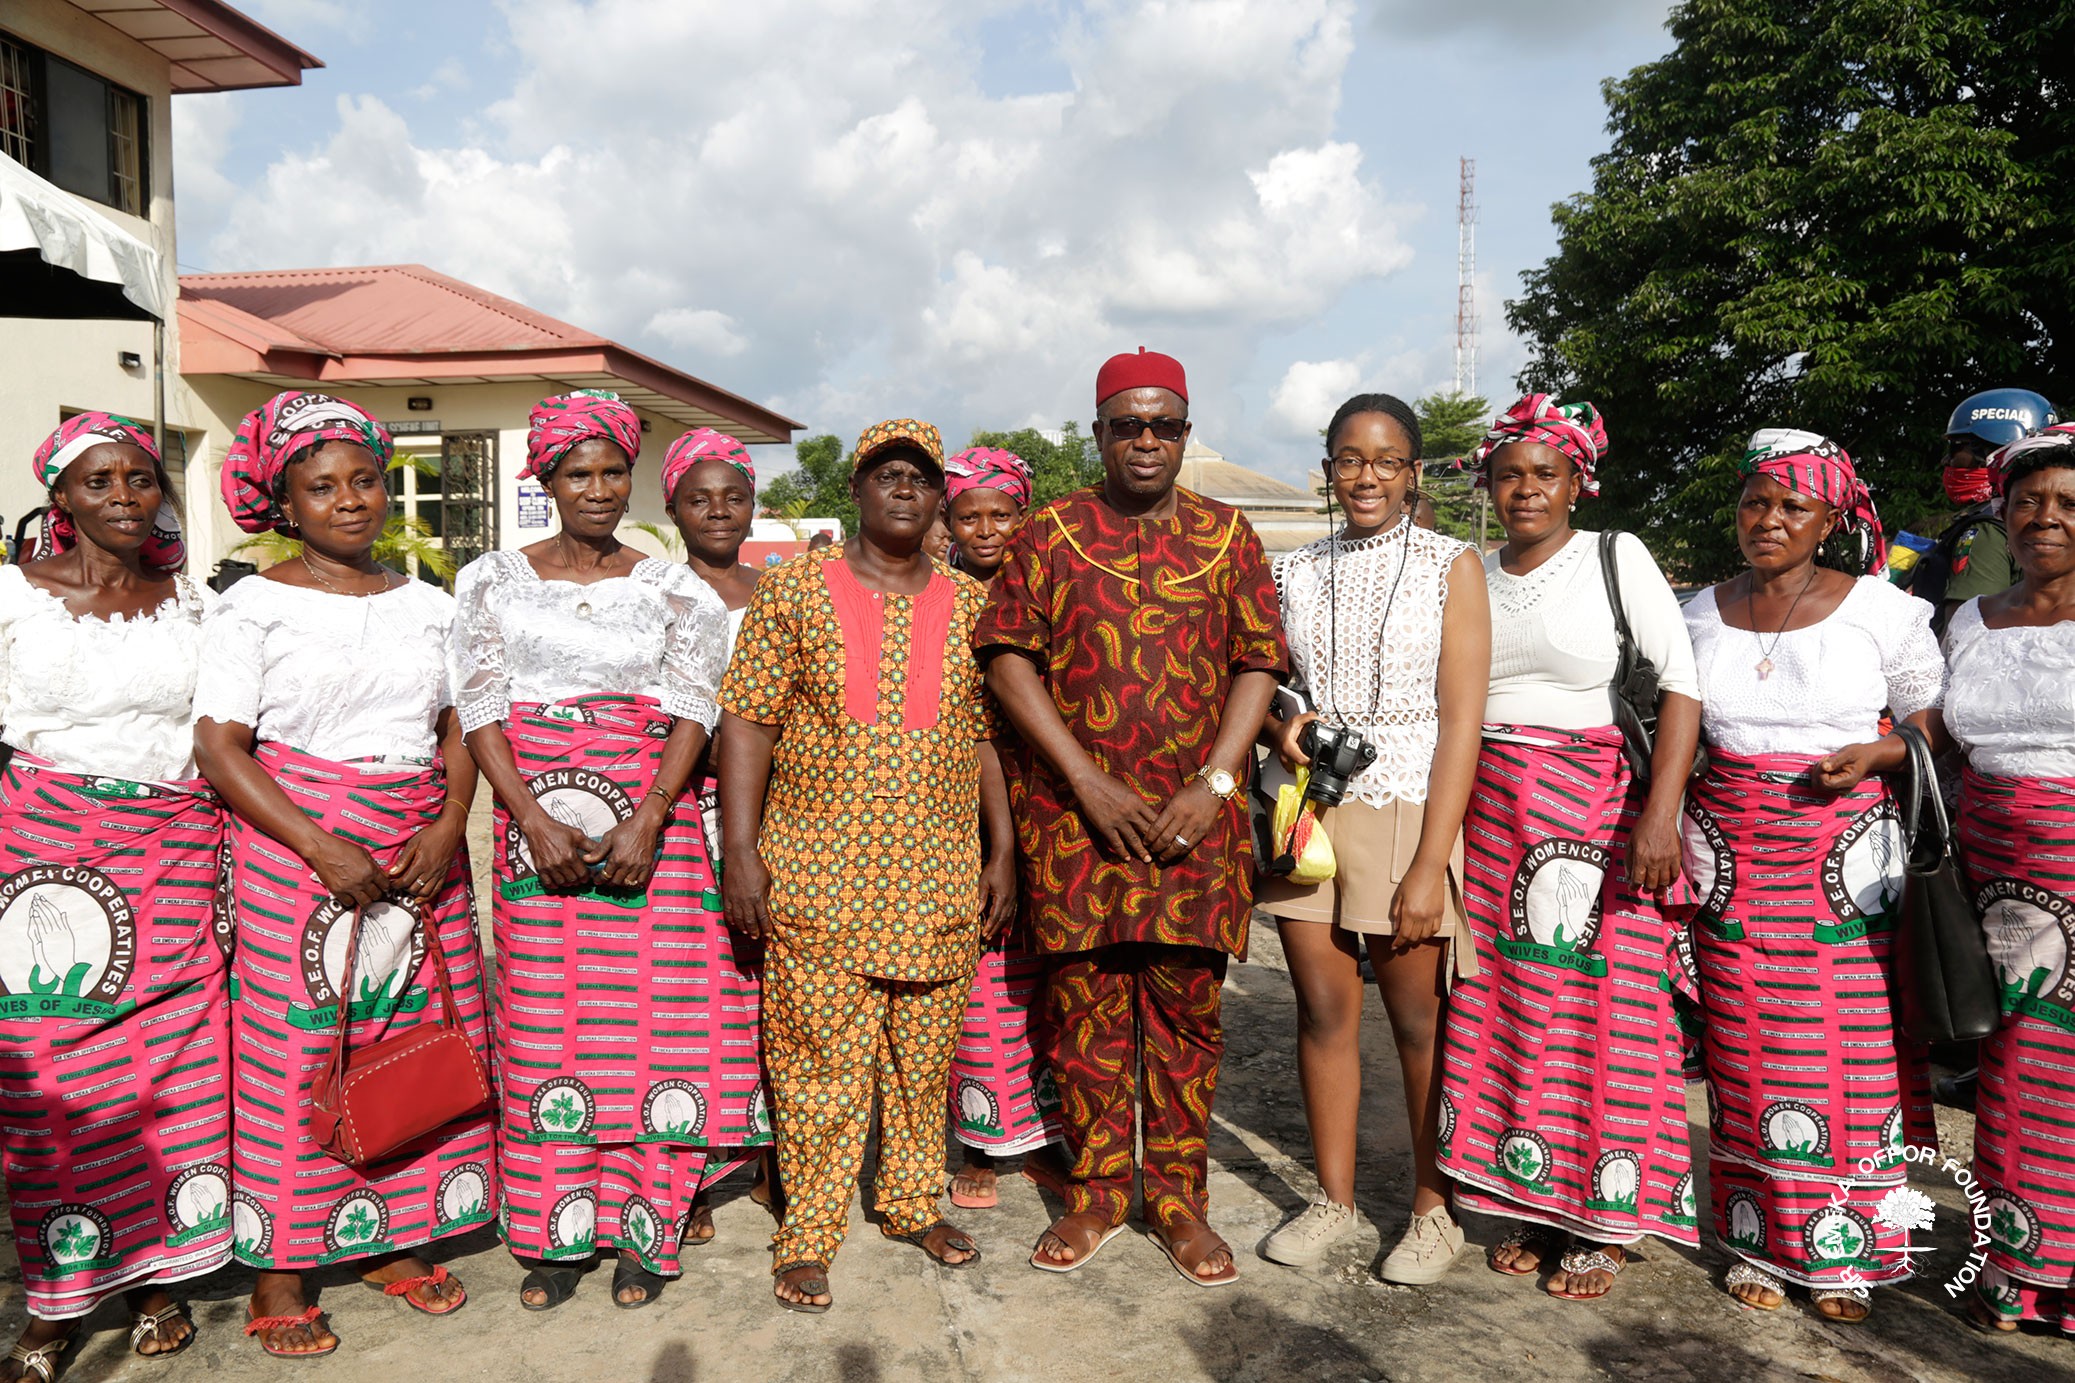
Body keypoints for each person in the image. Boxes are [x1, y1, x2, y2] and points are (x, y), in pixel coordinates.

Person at [978, 349, 1287, 1287]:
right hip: (1076, 825)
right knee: (1084, 1011)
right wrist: (1086, 782)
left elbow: (1255, 661)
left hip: (1198, 823)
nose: (1145, 440)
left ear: (1184, 434)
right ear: (1099, 431)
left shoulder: (1229, 535)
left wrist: (1217, 782)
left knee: (1188, 1012)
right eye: (1126, 424)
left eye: (1163, 425)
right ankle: (1101, 1191)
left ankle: (1178, 1197)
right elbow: (1005, 660)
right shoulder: (1050, 533)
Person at [195, 391, 489, 1357]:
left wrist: (451, 822)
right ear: (283, 501)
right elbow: (220, 745)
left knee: (403, 1038)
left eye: (365, 480)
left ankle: (390, 1237)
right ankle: (283, 1262)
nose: (351, 500)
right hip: (298, 853)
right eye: (322, 486)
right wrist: (322, 845)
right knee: (299, 1048)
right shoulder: (252, 605)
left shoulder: (430, 607)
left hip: (417, 851)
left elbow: (455, 728)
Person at [450, 392, 753, 1312]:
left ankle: (646, 1236)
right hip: (536, 838)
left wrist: (653, 814)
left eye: (612, 471)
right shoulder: (490, 579)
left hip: (650, 839)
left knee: (660, 1031)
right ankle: (554, 1237)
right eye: (576, 473)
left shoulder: (674, 586)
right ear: (544, 480)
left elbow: (695, 703)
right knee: (551, 1033)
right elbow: (479, 703)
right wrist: (530, 817)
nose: (596, 489)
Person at [719, 418, 1014, 1313]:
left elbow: (986, 737)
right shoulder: (796, 589)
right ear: (856, 487)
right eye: (886, 474)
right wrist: (740, 850)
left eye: (920, 480)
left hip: (938, 876)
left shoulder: (970, 605)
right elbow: (748, 719)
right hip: (815, 872)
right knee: (817, 1064)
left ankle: (907, 1202)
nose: (903, 490)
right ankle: (806, 1235)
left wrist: (1001, 848)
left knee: (924, 1059)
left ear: (938, 501)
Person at [1431, 394, 1703, 1301]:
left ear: (1576, 481)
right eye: (1508, 474)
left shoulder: (1615, 557)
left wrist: (1659, 813)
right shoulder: (1468, 569)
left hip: (1597, 817)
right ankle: (1530, 1198)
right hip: (1491, 813)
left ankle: (1604, 1220)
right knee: (1506, 1008)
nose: (1524, 490)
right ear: (1487, 483)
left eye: (1544, 473)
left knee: (1609, 1018)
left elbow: (1680, 686)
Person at [1682, 430, 1943, 1323]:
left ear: (1829, 518)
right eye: (1755, 502)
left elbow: (1935, 723)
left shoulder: (1883, 610)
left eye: (1791, 505)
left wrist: (1878, 751)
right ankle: (1757, 1237)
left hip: (1845, 868)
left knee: (1854, 1053)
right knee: (1746, 1048)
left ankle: (1843, 1251)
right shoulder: (1698, 612)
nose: (1768, 520)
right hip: (1729, 859)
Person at [0, 415, 225, 1382]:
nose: (128, 496)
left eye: (141, 478)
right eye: (101, 481)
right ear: (63, 498)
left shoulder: (196, 601)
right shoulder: (13, 595)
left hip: (177, 852)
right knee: (47, 1079)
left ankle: (158, 1283)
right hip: (45, 856)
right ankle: (56, 1303)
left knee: (172, 1078)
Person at [1252, 394, 1487, 1284]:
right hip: (1311, 806)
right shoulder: (1295, 568)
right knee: (1320, 1012)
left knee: (1418, 1022)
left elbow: (1462, 719)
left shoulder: (1448, 563)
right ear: (1327, 469)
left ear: (1413, 472)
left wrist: (1431, 862)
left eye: (1386, 460)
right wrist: (1284, 728)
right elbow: (1270, 683)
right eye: (1349, 459)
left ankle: (1434, 1209)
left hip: (1408, 805)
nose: (1366, 476)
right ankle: (1334, 1200)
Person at [1938, 422, 2075, 1335]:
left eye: (2067, 503)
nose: (2044, 518)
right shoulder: (1968, 618)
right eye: (2027, 500)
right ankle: (2013, 1259)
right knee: (2008, 1057)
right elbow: (1942, 737)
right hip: (1985, 861)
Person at [937, 447, 1069, 1210]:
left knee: (1051, 976)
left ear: (1024, 517)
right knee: (980, 970)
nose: (986, 529)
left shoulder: (1051, 586)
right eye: (969, 515)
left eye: (1001, 514)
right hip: (965, 796)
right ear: (947, 522)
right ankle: (981, 1139)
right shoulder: (945, 597)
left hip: (1048, 791)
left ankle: (1050, 1134)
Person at [661, 426, 775, 1235]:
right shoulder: (651, 592)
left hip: (782, 812)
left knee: (778, 990)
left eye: (733, 497)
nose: (717, 512)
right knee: (694, 997)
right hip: (683, 811)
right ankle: (691, 1167)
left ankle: (774, 1159)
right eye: (698, 499)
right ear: (671, 506)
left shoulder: (780, 591)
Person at [1909, 388, 2059, 630]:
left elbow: (1966, 632)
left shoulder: (1986, 529)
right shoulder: (2050, 523)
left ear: (1990, 453)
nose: (1947, 462)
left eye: (1957, 448)